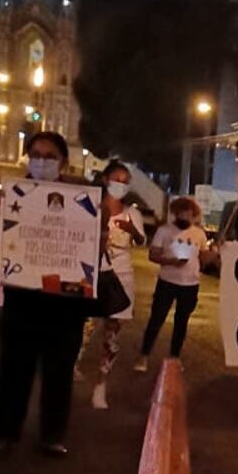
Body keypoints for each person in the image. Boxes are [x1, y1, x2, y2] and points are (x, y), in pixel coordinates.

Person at [0, 132, 89, 457]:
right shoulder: (13, 195)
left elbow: (90, 245)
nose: (42, 161)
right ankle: (4, 432)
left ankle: (52, 434)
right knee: (14, 367)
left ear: (63, 161)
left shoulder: (81, 199)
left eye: (50, 156)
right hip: (23, 297)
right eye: (36, 154)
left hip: (65, 302)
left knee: (59, 371)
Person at [80, 160, 145, 409]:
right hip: (94, 275)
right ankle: (70, 368)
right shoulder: (90, 206)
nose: (121, 185)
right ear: (106, 179)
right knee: (85, 328)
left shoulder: (133, 213)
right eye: (117, 179)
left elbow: (141, 241)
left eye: (126, 181)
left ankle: (100, 385)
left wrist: (132, 229)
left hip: (121, 278)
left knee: (112, 336)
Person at [134, 197, 214, 371]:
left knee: (182, 322)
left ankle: (175, 356)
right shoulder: (164, 231)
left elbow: (204, 259)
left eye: (190, 214)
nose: (186, 217)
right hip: (167, 282)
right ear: (175, 213)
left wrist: (214, 253)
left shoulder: (199, 234)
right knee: (156, 319)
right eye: (182, 213)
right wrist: (170, 261)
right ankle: (143, 356)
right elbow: (153, 255)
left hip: (190, 284)